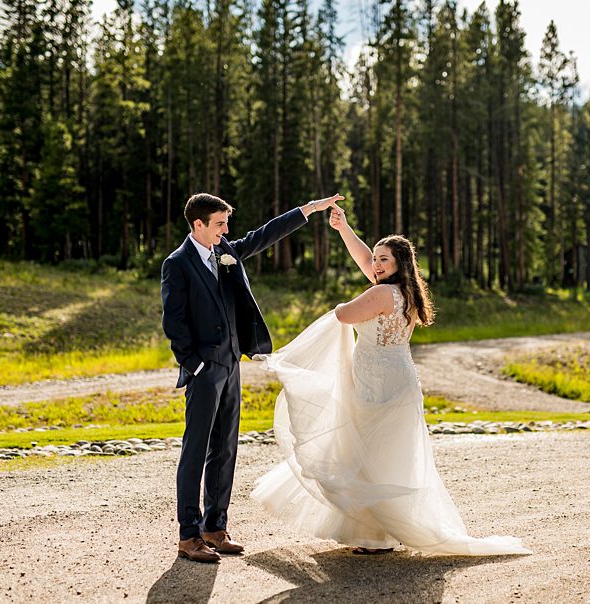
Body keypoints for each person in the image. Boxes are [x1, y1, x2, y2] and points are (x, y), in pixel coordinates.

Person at [249, 203, 529, 557]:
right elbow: (365, 263)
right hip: (400, 380)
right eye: (376, 259)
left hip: (376, 385)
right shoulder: (407, 293)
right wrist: (344, 229)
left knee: (368, 456)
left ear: (399, 264)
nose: (376, 265)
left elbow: (345, 314)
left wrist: (340, 305)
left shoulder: (381, 294)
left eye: (384, 260)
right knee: (388, 458)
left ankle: (376, 536)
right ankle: (382, 532)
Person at [161, 192, 338, 563]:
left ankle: (214, 527)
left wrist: (308, 209)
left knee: (225, 449)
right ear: (198, 224)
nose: (227, 230)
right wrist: (195, 366)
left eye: (227, 223)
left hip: (231, 366)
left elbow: (265, 234)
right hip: (205, 371)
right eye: (220, 223)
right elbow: (174, 323)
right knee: (195, 451)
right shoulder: (177, 264)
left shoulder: (225, 250)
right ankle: (189, 536)